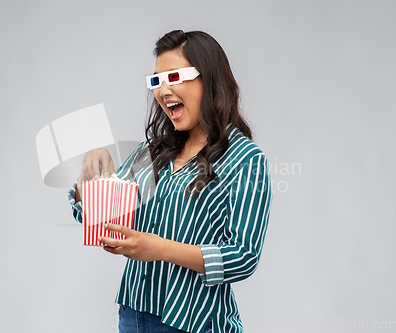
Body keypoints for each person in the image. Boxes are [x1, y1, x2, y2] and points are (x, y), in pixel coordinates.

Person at [68, 30, 272, 333]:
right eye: (156, 81)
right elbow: (105, 220)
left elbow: (243, 256)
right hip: (134, 315)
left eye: (174, 77)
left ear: (209, 79)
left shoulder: (245, 159)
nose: (163, 91)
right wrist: (88, 181)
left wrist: (160, 248)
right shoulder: (154, 152)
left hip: (193, 322)